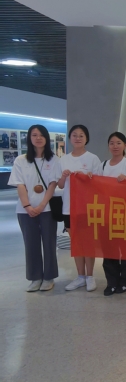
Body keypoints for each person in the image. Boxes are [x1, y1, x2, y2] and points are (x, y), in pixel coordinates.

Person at [9, 124, 62, 292]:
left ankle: (49, 277)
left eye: (41, 135)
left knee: (49, 243)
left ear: (46, 138)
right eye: (34, 135)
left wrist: (41, 205)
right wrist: (27, 206)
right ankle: (35, 277)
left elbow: (53, 184)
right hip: (25, 210)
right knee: (30, 244)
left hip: (47, 209)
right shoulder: (21, 160)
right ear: (29, 138)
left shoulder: (54, 160)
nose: (38, 138)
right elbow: (20, 184)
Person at [57, 125, 102, 292]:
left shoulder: (93, 158)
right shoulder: (63, 159)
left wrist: (90, 178)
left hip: (87, 207)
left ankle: (90, 276)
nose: (77, 138)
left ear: (86, 138)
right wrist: (63, 176)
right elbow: (60, 185)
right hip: (69, 208)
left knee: (88, 242)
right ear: (70, 138)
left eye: (81, 135)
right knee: (76, 242)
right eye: (74, 135)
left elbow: (100, 184)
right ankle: (80, 276)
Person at [101, 132, 126, 296]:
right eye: (112, 143)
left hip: (125, 215)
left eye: (118, 143)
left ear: (125, 145)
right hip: (107, 214)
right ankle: (112, 281)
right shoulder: (103, 165)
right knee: (109, 249)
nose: (115, 146)